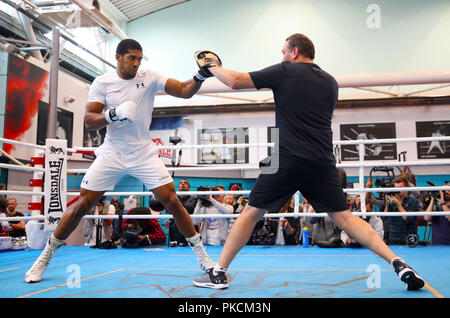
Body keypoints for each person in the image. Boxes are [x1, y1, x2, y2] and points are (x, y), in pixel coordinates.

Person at [193, 33, 424, 291]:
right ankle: (398, 262)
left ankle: (218, 272)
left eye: (283, 52)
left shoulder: (285, 71)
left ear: (294, 52)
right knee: (345, 218)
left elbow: (235, 82)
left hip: (284, 156)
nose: (281, 57)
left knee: (250, 212)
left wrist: (212, 66)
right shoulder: (331, 82)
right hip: (323, 160)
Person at [25, 39, 216, 283]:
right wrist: (112, 114)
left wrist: (200, 75)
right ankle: (45, 256)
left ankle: (202, 256)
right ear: (118, 57)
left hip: (143, 152)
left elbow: (183, 90)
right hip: (112, 152)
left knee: (172, 201)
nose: (136, 63)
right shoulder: (102, 82)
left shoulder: (150, 76)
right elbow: (90, 120)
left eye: (139, 58)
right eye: (131, 58)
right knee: (84, 203)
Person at [384, 176, 420, 245]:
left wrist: (398, 204)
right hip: (394, 238)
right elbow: (385, 218)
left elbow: (407, 219)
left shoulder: (414, 201)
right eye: (396, 188)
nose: (398, 190)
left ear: (406, 188)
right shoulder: (392, 201)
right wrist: (387, 203)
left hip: (409, 238)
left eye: (400, 188)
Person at [165, 179, 197, 247]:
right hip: (175, 229)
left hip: (189, 229)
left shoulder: (193, 199)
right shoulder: (173, 199)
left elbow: (190, 209)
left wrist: (176, 206)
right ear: (178, 187)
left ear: (189, 187)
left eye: (185, 183)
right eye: (181, 183)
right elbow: (168, 211)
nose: (182, 184)